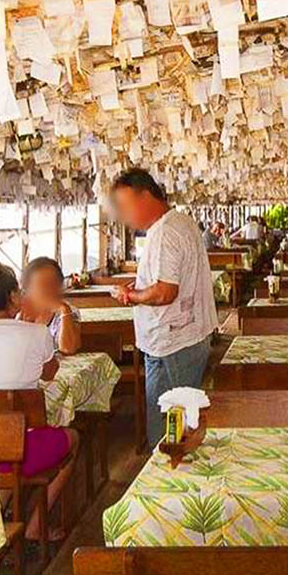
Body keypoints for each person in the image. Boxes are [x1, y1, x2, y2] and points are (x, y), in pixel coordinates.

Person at [0, 262, 78, 541]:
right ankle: (35, 526)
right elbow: (49, 375)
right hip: (20, 449)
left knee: (2, 452)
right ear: (14, 297)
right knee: (72, 438)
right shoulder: (36, 334)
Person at [109, 168, 218, 448]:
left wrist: (129, 296)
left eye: (125, 205)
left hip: (174, 343)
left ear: (145, 196)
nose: (123, 214)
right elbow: (166, 281)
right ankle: (173, 469)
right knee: (177, 414)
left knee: (169, 420)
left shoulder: (165, 232)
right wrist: (143, 285)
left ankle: (168, 473)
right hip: (182, 338)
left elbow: (165, 292)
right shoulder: (179, 222)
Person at [20, 257, 82, 354]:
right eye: (43, 286)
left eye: (54, 284)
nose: (49, 290)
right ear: (27, 288)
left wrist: (64, 310)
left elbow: (68, 349)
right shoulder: (17, 312)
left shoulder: (69, 312)